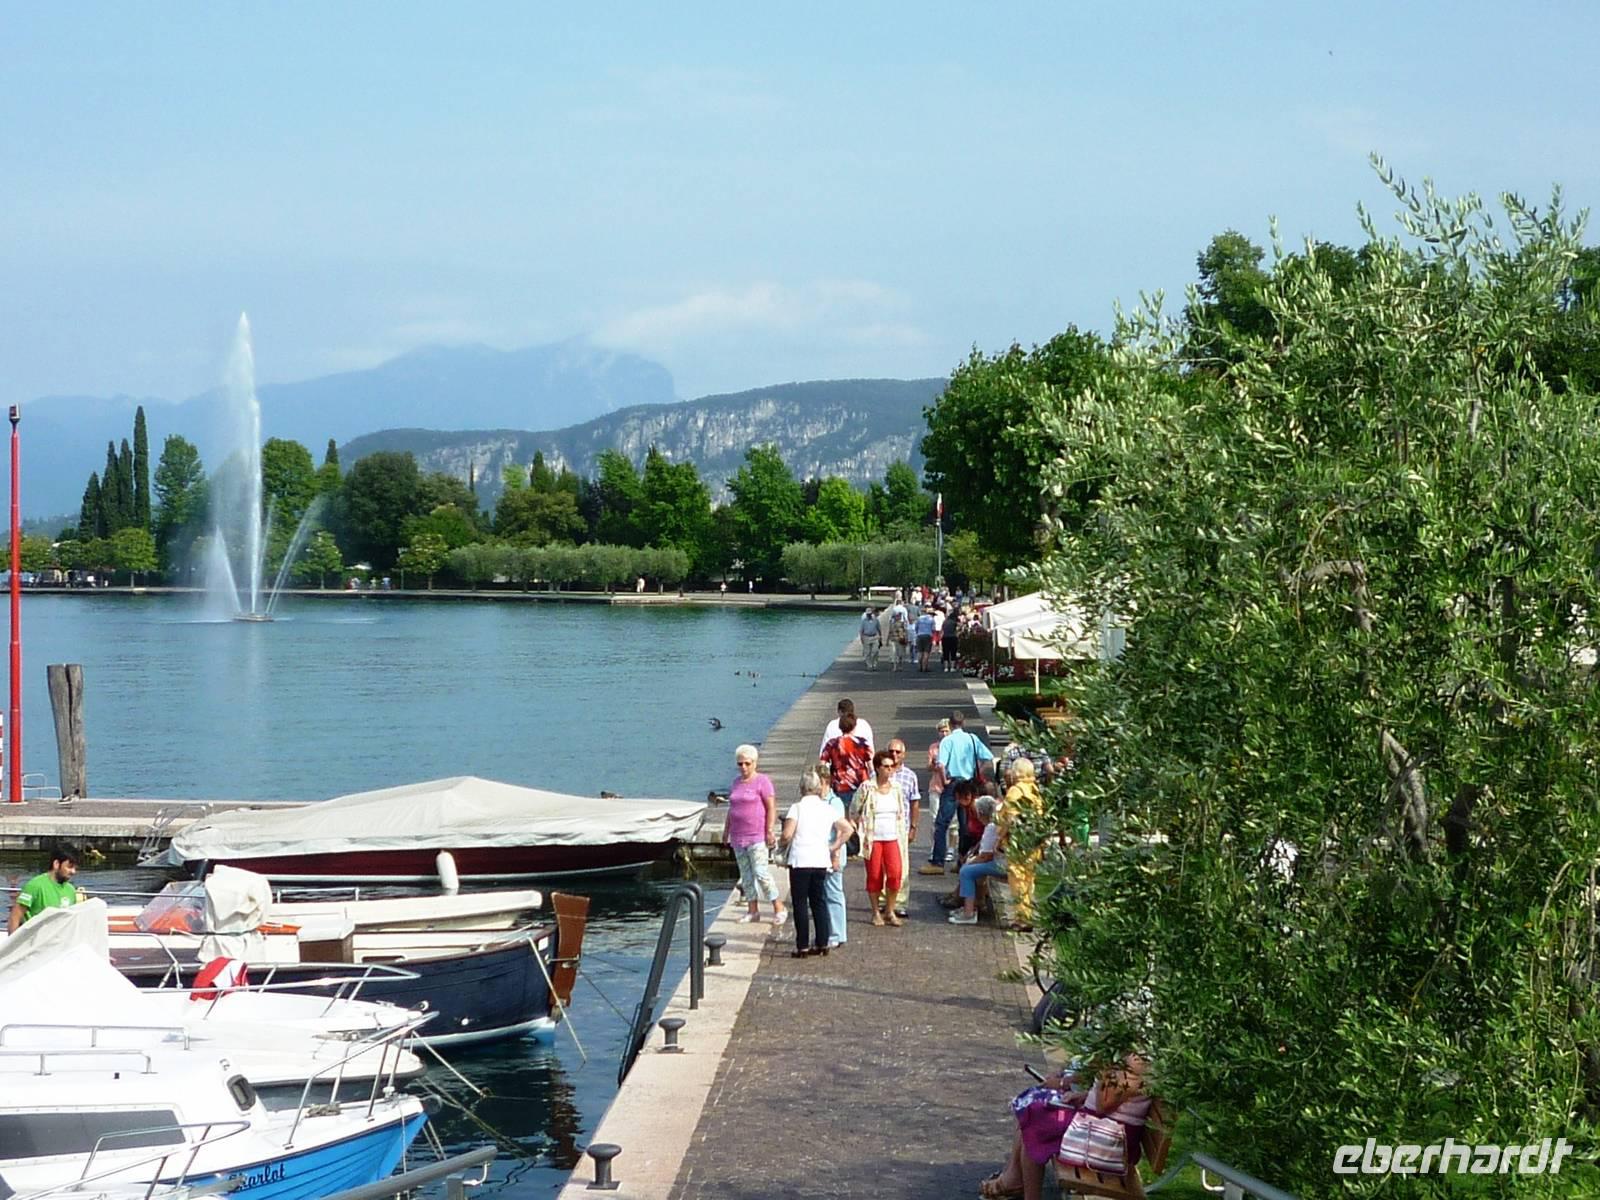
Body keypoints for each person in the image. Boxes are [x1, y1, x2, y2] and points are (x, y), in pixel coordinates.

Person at [980, 1060, 1154, 1200]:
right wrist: (1084, 1096)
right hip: (1100, 1127)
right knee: (1036, 1111)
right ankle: (1015, 1181)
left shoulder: (1135, 1064)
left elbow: (1103, 1106)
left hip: (1113, 1140)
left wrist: (1106, 1067)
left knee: (1037, 1121)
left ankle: (1019, 1186)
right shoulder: (1125, 1057)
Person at [782, 767, 854, 957]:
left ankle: (802, 945)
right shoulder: (827, 808)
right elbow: (848, 829)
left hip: (800, 860)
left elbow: (787, 834)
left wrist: (781, 843)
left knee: (800, 903)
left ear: (802, 788)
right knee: (819, 901)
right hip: (820, 859)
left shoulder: (797, 808)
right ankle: (823, 942)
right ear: (817, 787)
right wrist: (833, 846)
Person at [922, 710, 995, 874]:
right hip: (969, 783)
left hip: (954, 782)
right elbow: (987, 757)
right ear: (963, 723)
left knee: (942, 822)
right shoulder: (972, 739)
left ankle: (938, 862)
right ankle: (962, 860)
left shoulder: (947, 741)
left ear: (950, 724)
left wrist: (944, 780)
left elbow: (941, 764)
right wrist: (977, 772)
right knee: (965, 824)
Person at [724, 745, 786, 926]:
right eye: (740, 764)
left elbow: (771, 807)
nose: (743, 767)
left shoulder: (762, 782)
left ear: (754, 763)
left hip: (756, 835)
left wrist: (769, 830)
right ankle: (752, 910)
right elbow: (732, 808)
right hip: (738, 836)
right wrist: (726, 831)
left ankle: (778, 907)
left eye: (747, 763)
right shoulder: (736, 783)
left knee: (761, 872)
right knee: (746, 875)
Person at [852, 749, 908, 927]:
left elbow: (901, 812)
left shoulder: (896, 788)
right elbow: (854, 809)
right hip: (873, 838)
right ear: (877, 768)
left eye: (892, 766)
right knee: (875, 876)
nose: (889, 770)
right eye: (886, 766)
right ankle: (876, 911)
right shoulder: (867, 787)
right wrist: (856, 828)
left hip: (892, 837)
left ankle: (890, 910)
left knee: (895, 874)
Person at [1001, 758, 1046, 927]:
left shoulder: (1015, 791)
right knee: (1029, 879)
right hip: (1033, 841)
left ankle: (1022, 917)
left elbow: (1010, 819)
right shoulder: (1035, 790)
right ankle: (1028, 913)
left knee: (1017, 879)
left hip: (1017, 842)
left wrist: (1000, 837)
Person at [950, 796, 1006, 924]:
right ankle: (973, 905)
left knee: (966, 871)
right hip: (1005, 861)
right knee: (973, 870)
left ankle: (969, 913)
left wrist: (970, 862)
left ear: (980, 813)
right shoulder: (995, 824)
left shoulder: (991, 827)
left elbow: (986, 856)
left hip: (1001, 864)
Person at [8, 845, 82, 932]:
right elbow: (15, 917)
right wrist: (13, 939)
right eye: (70, 867)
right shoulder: (35, 885)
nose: (73, 871)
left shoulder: (71, 890)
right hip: (36, 938)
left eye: (75, 868)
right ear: (56, 864)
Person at [887, 739, 921, 918]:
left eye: (897, 752)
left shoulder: (910, 776)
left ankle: (899, 903)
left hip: (901, 828)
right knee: (882, 868)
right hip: (882, 828)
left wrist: (913, 827)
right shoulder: (878, 773)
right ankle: (884, 901)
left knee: (901, 867)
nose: (894, 755)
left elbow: (915, 803)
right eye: (891, 751)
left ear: (904, 754)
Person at [886, 604, 911, 672]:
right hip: (893, 640)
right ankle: (895, 667)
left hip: (900, 640)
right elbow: (890, 631)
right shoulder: (892, 624)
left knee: (900, 654)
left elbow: (905, 631)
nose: (898, 617)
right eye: (897, 616)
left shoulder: (902, 624)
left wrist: (906, 638)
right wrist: (887, 640)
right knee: (894, 654)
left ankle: (900, 666)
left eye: (899, 616)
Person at [941, 606, 963, 673]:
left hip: (945, 637)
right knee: (953, 652)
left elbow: (942, 630)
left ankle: (946, 667)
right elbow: (960, 627)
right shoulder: (954, 622)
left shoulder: (945, 622)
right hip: (953, 637)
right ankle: (952, 667)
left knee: (946, 652)